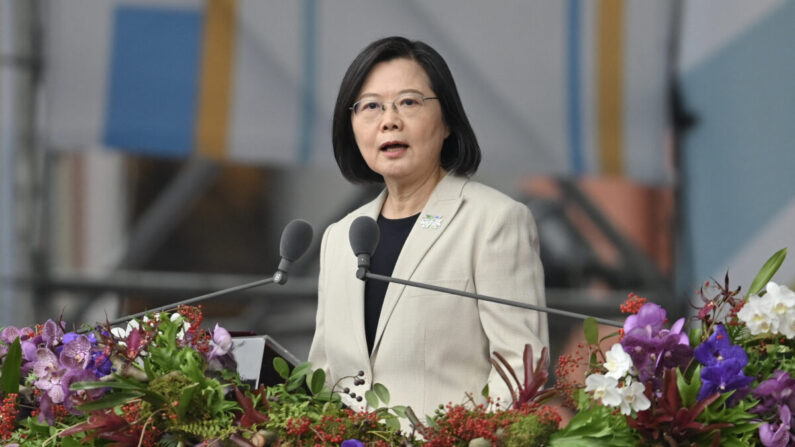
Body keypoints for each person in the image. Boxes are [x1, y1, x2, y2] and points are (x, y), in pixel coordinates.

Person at [308, 36, 548, 419]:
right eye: (371, 106)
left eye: (408, 102)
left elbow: (521, 371)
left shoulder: (493, 221)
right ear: (351, 124)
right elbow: (324, 376)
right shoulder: (340, 237)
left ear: (448, 120)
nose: (389, 120)